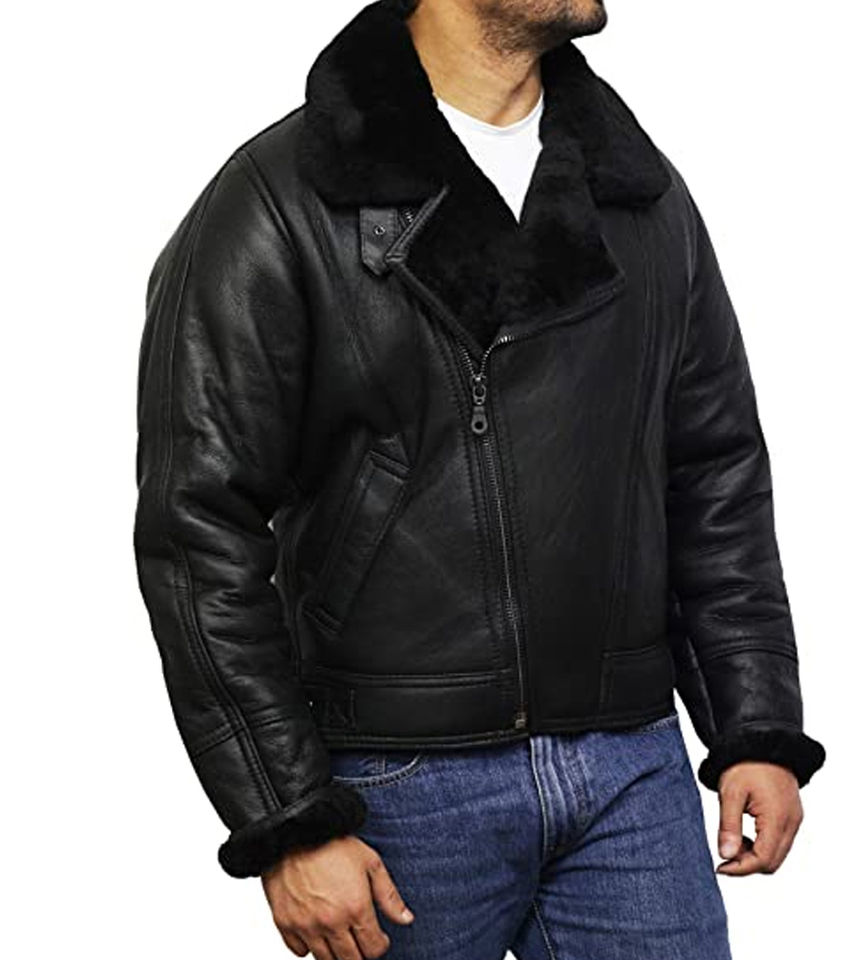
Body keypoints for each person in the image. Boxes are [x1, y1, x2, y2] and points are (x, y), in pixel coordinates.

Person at [133, 0, 826, 957]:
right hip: (395, 779)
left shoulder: (638, 192)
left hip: (632, 769)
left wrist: (753, 724)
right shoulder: (282, 198)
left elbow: (713, 471)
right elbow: (196, 531)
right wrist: (288, 816)